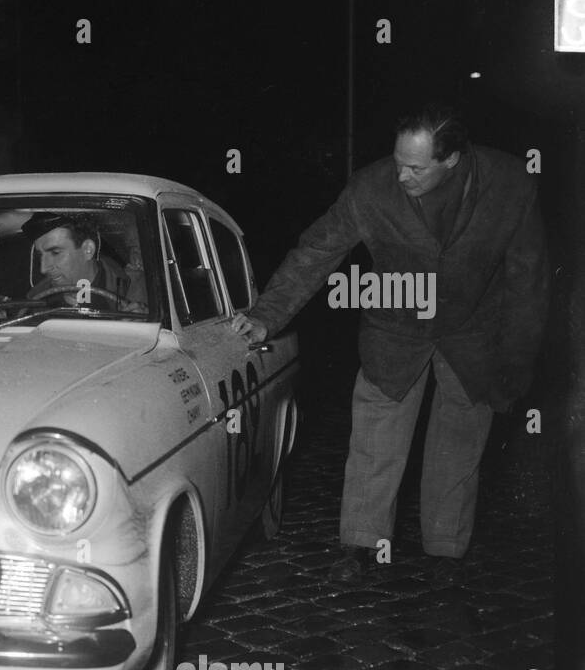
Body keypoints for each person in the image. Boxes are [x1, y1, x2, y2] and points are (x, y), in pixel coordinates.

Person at [230, 103, 549, 582]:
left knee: (459, 446)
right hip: (393, 330)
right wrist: (265, 316)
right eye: (398, 161)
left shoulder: (510, 184)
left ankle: (445, 552)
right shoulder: (370, 188)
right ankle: (359, 546)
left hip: (473, 332)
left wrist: (515, 364)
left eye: (416, 168)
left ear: (453, 160)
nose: (401, 176)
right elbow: (317, 251)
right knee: (375, 440)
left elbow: (529, 280)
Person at [23, 212, 147, 312]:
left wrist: (140, 324)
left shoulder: (133, 290)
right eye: (40, 255)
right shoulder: (34, 302)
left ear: (87, 250)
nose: (43, 268)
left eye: (55, 253)